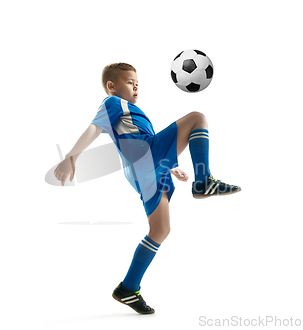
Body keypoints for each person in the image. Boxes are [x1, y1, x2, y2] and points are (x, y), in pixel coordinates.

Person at [54, 63, 240, 314]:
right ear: (112, 86)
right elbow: (93, 129)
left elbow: (133, 138)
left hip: (144, 169)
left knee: (160, 230)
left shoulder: (131, 112)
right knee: (198, 118)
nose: (135, 87)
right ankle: (204, 180)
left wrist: (171, 167)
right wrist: (70, 156)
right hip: (145, 157)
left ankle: (128, 288)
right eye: (130, 82)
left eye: (137, 84)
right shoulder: (112, 103)